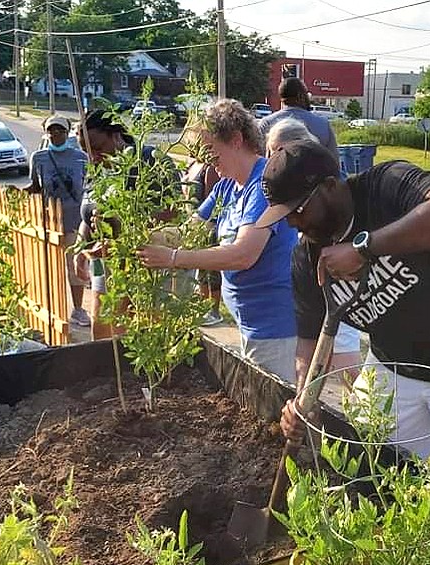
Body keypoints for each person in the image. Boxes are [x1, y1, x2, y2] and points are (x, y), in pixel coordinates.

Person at [256, 140, 430, 565]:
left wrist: (364, 248)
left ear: (329, 186)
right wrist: (301, 401)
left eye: (297, 210)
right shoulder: (306, 258)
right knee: (362, 467)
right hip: (396, 365)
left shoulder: (386, 186)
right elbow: (309, 347)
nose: (292, 223)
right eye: (283, 215)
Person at [138, 99, 299, 382]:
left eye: (209, 151)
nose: (204, 162)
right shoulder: (226, 186)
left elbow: (244, 254)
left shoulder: (264, 185)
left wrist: (175, 259)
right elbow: (187, 232)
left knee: (269, 408)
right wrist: (131, 238)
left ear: (236, 140)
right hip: (251, 322)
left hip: (275, 325)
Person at [265, 118, 361, 379]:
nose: (273, 159)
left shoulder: (341, 198)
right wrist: (304, 397)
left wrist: (364, 248)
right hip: (326, 295)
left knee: (350, 372)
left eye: (278, 151)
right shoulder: (304, 251)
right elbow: (307, 342)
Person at [73, 109, 175, 340]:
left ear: (117, 135)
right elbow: (87, 215)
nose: (93, 156)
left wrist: (123, 236)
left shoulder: (148, 160)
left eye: (98, 147)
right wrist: (80, 248)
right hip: (105, 263)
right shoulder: (97, 170)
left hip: (145, 264)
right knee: (102, 329)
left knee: (139, 335)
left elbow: (171, 210)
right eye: (86, 151)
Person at [23, 115, 90, 328]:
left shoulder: (81, 158)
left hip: (73, 221)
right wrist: (17, 194)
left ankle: (78, 310)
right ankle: (50, 308)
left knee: (75, 268)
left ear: (67, 132)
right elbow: (35, 186)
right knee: (48, 267)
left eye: (60, 130)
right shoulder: (39, 157)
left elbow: (89, 186)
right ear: (46, 132)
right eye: (51, 130)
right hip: (48, 222)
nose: (55, 134)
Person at [258, 77, 339, 164]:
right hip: (314, 176)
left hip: (276, 176)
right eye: (307, 94)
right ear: (301, 96)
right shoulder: (323, 124)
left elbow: (259, 161)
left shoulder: (266, 124)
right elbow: (334, 163)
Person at [181, 160, 223, 326]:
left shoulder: (210, 168)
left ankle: (213, 310)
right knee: (201, 271)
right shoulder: (191, 165)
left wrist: (205, 229)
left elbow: (212, 200)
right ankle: (203, 306)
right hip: (194, 221)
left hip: (207, 225)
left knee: (210, 270)